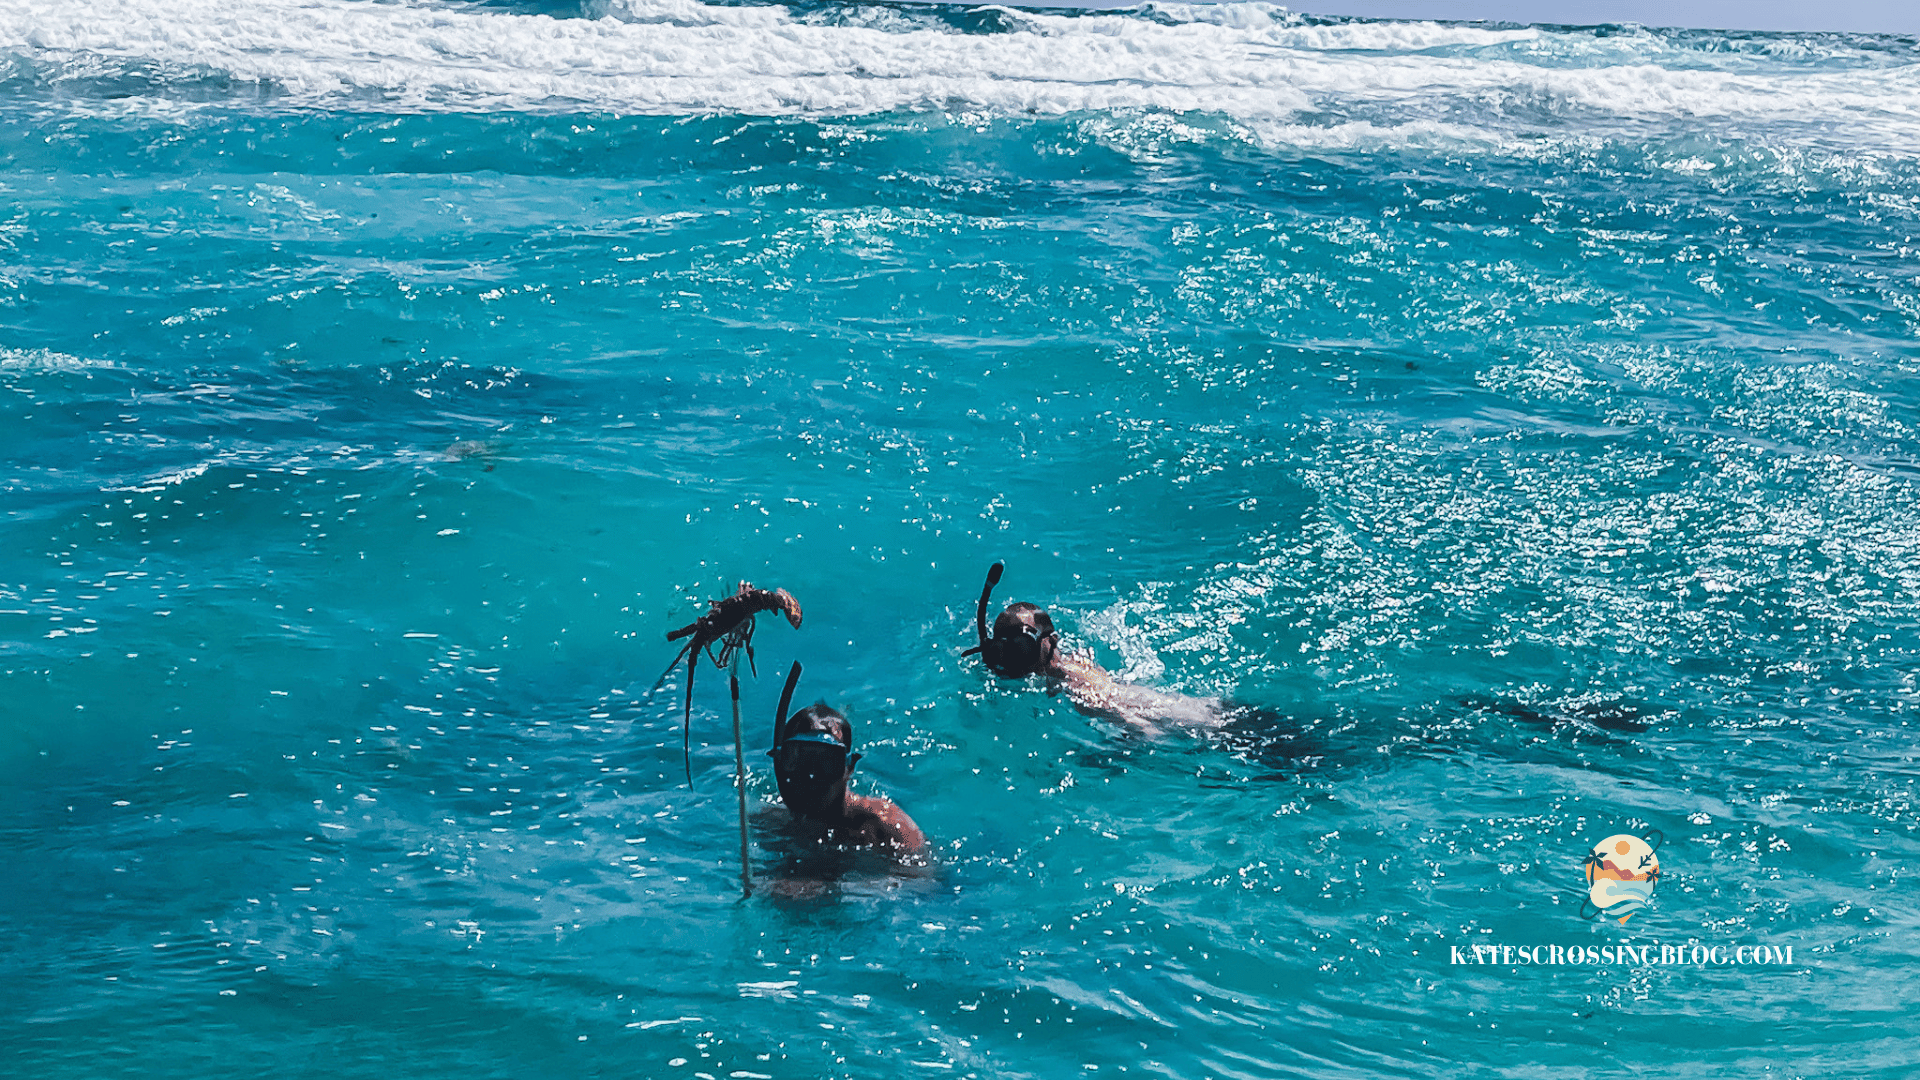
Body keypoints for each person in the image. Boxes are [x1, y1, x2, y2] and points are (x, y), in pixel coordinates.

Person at [961, 562, 1230, 735]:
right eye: (1005, 651)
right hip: (1208, 713)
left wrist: (1104, 759)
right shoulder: (1074, 664)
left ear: (1050, 642)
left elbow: (1149, 733)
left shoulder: (1076, 684)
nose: (1017, 660)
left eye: (1023, 648)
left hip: (1213, 729)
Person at [766, 663, 926, 855]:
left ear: (849, 768)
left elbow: (924, 881)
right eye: (799, 759)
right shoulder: (771, 824)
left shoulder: (886, 826)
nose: (811, 775)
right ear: (781, 763)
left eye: (827, 762)